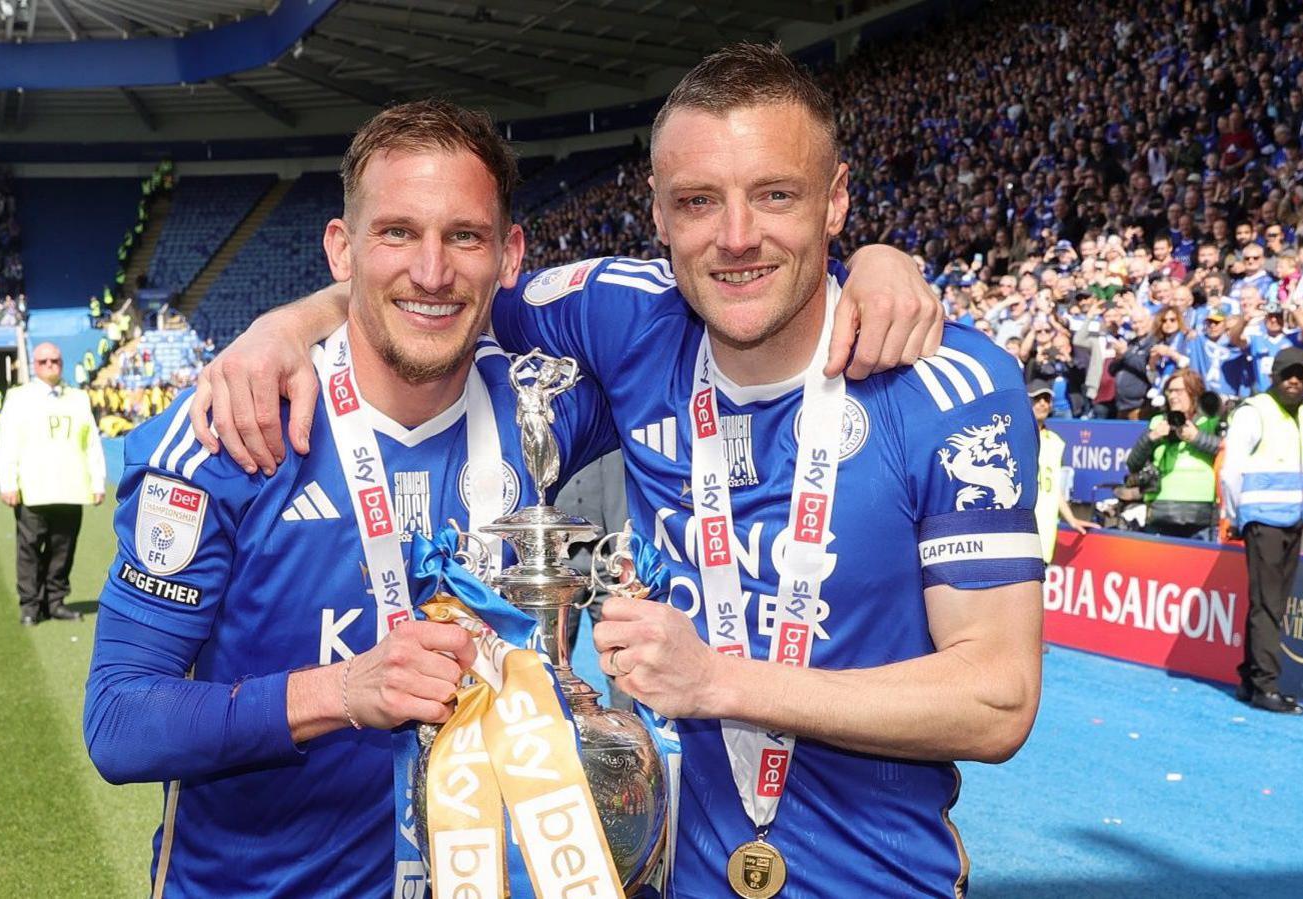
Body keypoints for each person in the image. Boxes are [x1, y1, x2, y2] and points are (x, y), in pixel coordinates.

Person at [192, 45, 1042, 897]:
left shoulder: (947, 384)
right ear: (659, 215)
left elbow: (997, 697)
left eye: (776, 194)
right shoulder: (622, 315)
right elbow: (433, 287)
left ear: (836, 201)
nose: (737, 235)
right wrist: (282, 325)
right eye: (698, 201)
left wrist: (719, 682)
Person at [1220, 347, 1303, 715]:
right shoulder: (1255, 411)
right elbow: (1231, 468)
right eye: (1288, 373)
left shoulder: (1302, 415)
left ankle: (1249, 678)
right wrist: (1237, 515)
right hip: (1262, 520)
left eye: (1300, 375)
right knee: (1268, 605)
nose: (1294, 380)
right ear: (1274, 375)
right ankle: (1265, 686)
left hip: (1292, 518)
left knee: (1270, 603)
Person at [0, 342, 105, 626]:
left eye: (55, 360)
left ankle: (55, 601)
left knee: (63, 550)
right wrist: (7, 481)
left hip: (71, 487)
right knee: (29, 550)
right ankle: (31, 605)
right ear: (35, 364)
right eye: (44, 361)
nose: (50, 365)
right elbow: (7, 443)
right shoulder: (18, 397)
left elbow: (91, 442)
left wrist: (97, 481)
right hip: (33, 488)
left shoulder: (79, 398)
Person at [1125, 370, 1222, 540]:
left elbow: (1227, 451)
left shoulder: (1210, 420)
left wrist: (1197, 438)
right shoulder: (1158, 421)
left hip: (1201, 510)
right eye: (1169, 391)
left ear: (1194, 393)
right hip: (1163, 508)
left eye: (1179, 391)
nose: (1172, 396)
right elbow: (1133, 463)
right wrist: (1152, 437)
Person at [1031, 379, 1092, 562]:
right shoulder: (1013, 436)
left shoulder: (1056, 442)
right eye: (1037, 398)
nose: (1043, 403)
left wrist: (1071, 519)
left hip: (1044, 534)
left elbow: (1053, 488)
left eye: (1047, 399)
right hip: (1017, 531)